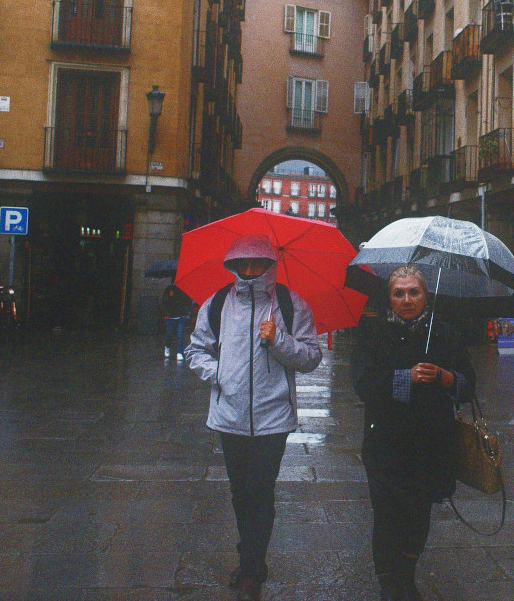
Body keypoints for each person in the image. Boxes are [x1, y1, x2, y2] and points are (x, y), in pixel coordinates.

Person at [184, 233, 323, 601]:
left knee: (260, 491)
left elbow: (311, 357)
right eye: (241, 264)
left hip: (273, 417)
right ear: (231, 266)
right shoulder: (216, 304)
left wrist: (279, 340)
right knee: (239, 492)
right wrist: (219, 373)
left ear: (269, 266)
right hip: (228, 415)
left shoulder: (291, 306)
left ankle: (250, 567)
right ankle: (252, 559)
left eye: (257, 264)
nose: (249, 271)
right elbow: (195, 350)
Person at [351, 265, 476, 601]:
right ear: (389, 298)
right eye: (399, 293)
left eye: (414, 292)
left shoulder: (446, 333)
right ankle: (389, 583)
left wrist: (446, 377)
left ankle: (407, 574)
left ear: (425, 295)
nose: (407, 300)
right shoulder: (373, 333)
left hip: (431, 444)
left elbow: (468, 386)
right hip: (385, 445)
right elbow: (364, 384)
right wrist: (406, 377)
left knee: (418, 513)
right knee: (387, 513)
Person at [158, 281, 194, 361]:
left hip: (181, 317)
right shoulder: (169, 290)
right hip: (170, 317)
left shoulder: (184, 290)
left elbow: (188, 302)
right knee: (169, 334)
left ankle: (179, 352)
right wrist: (166, 313)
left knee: (180, 335)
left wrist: (189, 312)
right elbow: (163, 302)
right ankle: (167, 346)